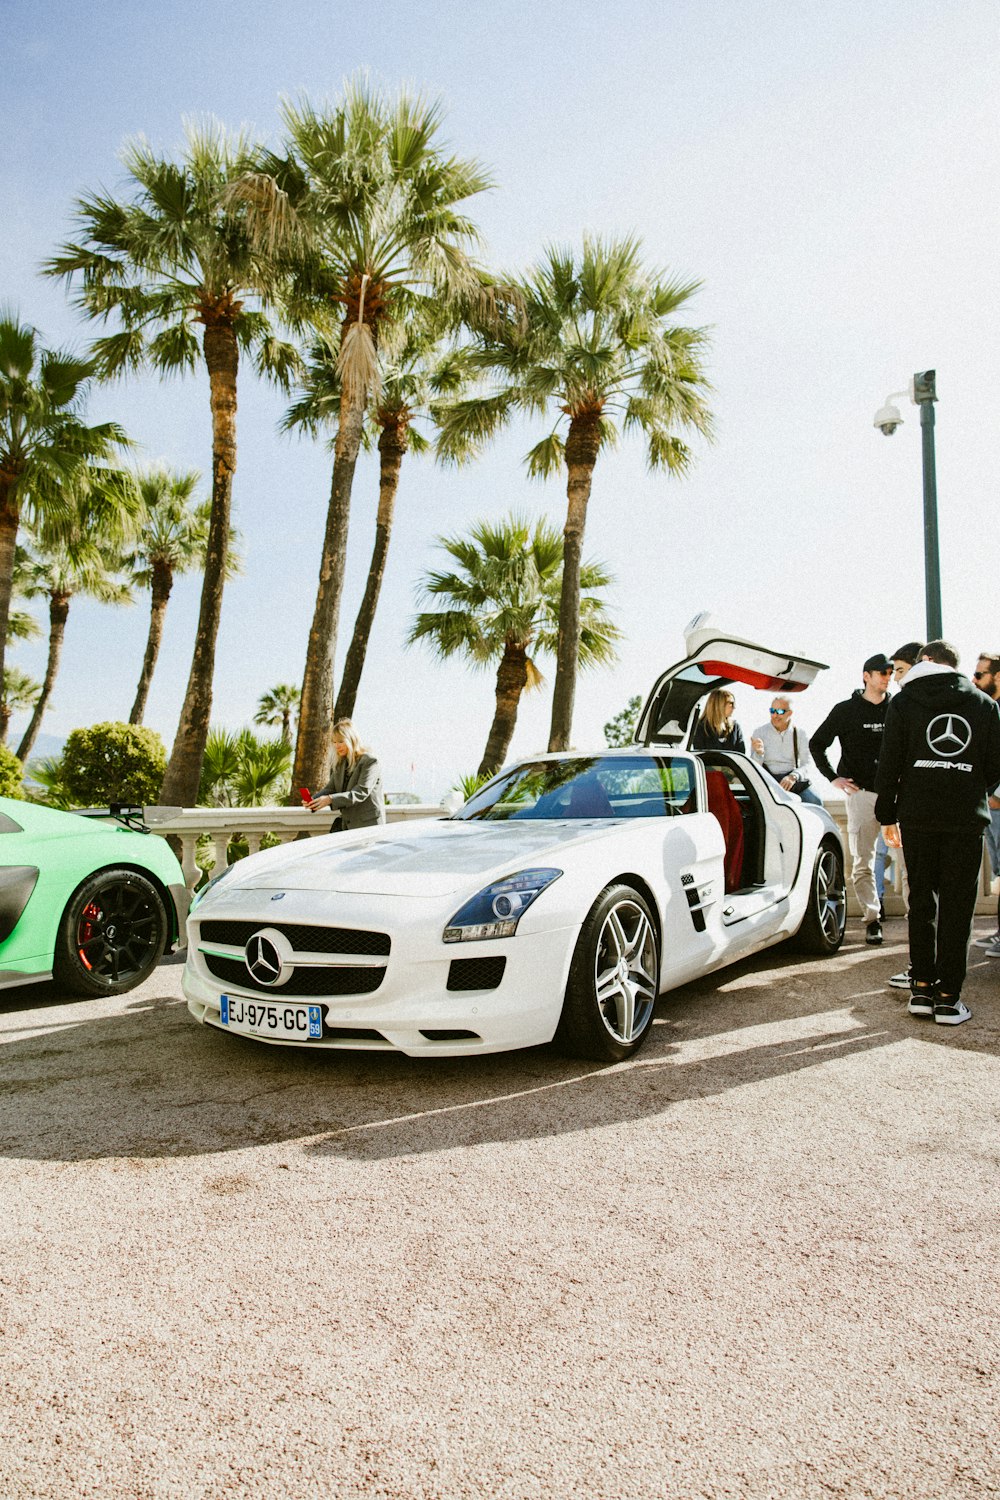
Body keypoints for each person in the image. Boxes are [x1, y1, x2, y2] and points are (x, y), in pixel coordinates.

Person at [875, 640, 1000, 1025]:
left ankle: (921, 989)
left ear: (926, 662)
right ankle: (948, 999)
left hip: (917, 815)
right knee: (958, 907)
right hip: (965, 816)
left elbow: (890, 761)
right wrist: (966, 783)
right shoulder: (984, 705)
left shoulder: (903, 702)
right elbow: (995, 767)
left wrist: (887, 814)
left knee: (922, 902)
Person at [809, 653, 893, 944]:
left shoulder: (898, 708)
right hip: (861, 796)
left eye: (891, 672)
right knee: (863, 862)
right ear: (866, 676)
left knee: (910, 862)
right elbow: (817, 743)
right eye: (881, 672)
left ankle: (917, 921)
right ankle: (872, 919)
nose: (887, 676)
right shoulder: (846, 710)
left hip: (896, 795)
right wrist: (833, 777)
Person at [970, 650, 1000, 955]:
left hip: (997, 803)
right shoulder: (987, 708)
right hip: (989, 804)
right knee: (999, 871)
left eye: (980, 675)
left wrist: (996, 795)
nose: (974, 679)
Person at [308, 718, 385, 830]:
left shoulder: (370, 761)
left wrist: (330, 799)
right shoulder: (340, 764)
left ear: (352, 740)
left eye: (341, 741)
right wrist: (313, 800)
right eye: (334, 742)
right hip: (347, 826)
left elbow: (361, 792)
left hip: (368, 826)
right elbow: (331, 789)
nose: (337, 746)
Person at [749, 695, 822, 804]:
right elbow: (754, 766)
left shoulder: (800, 733)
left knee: (815, 801)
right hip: (768, 781)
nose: (775, 715)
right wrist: (759, 753)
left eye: (779, 711)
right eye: (772, 711)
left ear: (790, 713)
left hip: (792, 780)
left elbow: (807, 763)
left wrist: (793, 776)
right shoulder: (759, 732)